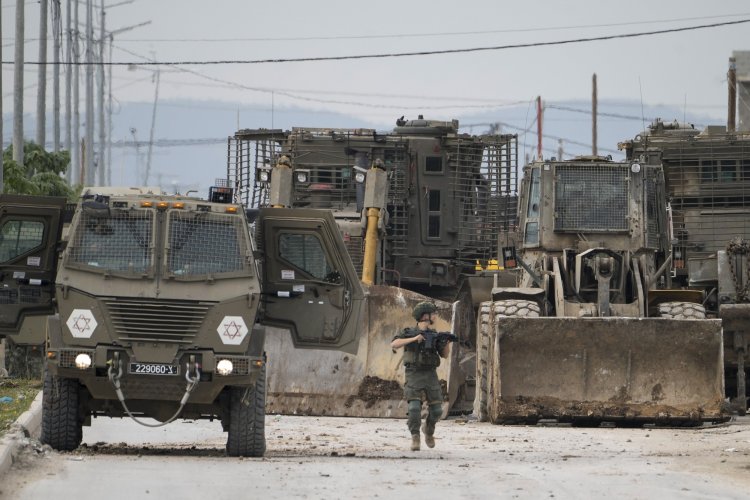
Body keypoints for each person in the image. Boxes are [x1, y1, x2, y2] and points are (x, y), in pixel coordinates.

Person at [390, 301, 453, 451]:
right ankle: (415, 436)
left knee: (437, 410)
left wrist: (446, 343)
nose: (436, 316)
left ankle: (429, 431)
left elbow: (444, 356)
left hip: (430, 374)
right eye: (434, 313)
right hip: (414, 373)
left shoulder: (435, 335)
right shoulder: (408, 332)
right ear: (426, 316)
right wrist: (414, 339)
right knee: (414, 408)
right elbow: (394, 344)